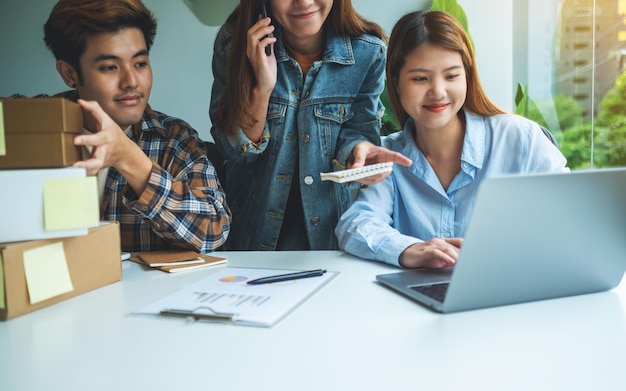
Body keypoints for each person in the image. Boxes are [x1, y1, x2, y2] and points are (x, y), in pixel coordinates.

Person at [335, 10, 569, 268]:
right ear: (396, 82)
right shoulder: (389, 155)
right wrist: (409, 250)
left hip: (512, 291)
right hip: (418, 301)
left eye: (452, 76)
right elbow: (356, 223)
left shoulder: (520, 139)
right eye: (420, 78)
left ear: (467, 76)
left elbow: (571, 215)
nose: (438, 91)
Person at [210, 0, 411, 251]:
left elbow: (358, 132)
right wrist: (262, 88)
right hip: (250, 240)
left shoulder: (368, 52)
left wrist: (359, 152)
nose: (304, 2)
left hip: (326, 241)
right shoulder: (234, 44)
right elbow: (235, 151)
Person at [43, 0, 231, 253]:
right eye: (110, 67)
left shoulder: (174, 139)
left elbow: (214, 231)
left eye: (140, 63)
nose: (131, 81)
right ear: (69, 73)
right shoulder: (29, 127)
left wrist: (129, 159)